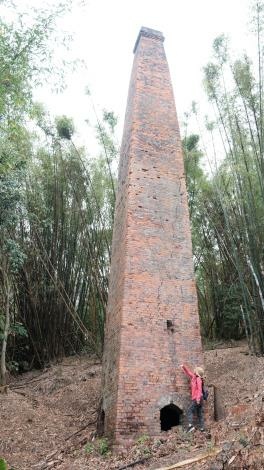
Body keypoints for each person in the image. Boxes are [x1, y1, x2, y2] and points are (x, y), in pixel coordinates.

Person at [180, 364, 205, 432]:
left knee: (189, 410)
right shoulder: (194, 378)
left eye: (195, 370)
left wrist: (198, 399)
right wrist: (183, 367)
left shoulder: (198, 379)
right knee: (199, 413)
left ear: (197, 372)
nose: (194, 370)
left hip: (198, 398)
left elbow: (199, 389)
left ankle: (190, 426)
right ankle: (202, 428)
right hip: (198, 398)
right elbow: (188, 373)